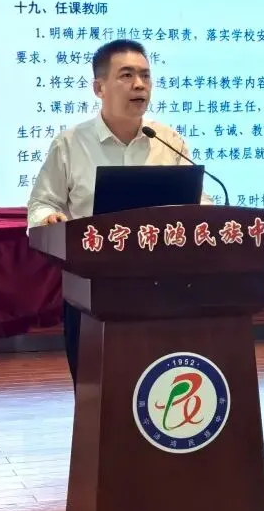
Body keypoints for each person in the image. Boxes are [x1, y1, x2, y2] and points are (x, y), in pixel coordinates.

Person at [27, 38, 210, 386]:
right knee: (96, 396)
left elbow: (197, 202)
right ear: (99, 88)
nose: (139, 85)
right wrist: (48, 220)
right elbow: (42, 204)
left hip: (163, 288)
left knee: (157, 390)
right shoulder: (70, 145)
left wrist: (213, 216)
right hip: (92, 290)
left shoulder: (169, 141)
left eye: (145, 76)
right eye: (127, 75)